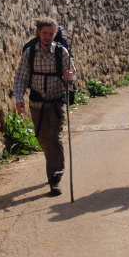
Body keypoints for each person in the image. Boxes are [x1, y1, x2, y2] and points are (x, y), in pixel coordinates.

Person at [13, 17, 76, 196]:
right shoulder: (30, 53)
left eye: (51, 33)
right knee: (43, 138)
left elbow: (72, 77)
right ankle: (54, 166)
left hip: (56, 102)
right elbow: (21, 77)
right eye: (45, 33)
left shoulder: (61, 52)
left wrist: (70, 78)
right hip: (37, 103)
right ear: (39, 33)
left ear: (55, 34)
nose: (48, 36)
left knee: (54, 137)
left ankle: (55, 177)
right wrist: (19, 99)